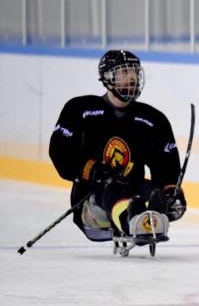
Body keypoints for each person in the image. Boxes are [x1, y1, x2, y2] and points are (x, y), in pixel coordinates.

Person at [49, 50, 186, 248]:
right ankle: (133, 222)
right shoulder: (80, 109)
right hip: (91, 197)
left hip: (133, 186)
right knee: (111, 188)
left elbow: (166, 163)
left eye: (134, 73)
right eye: (123, 73)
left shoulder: (154, 119)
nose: (131, 78)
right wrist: (92, 169)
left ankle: (150, 216)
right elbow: (60, 152)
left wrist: (170, 191)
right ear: (107, 78)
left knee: (152, 192)